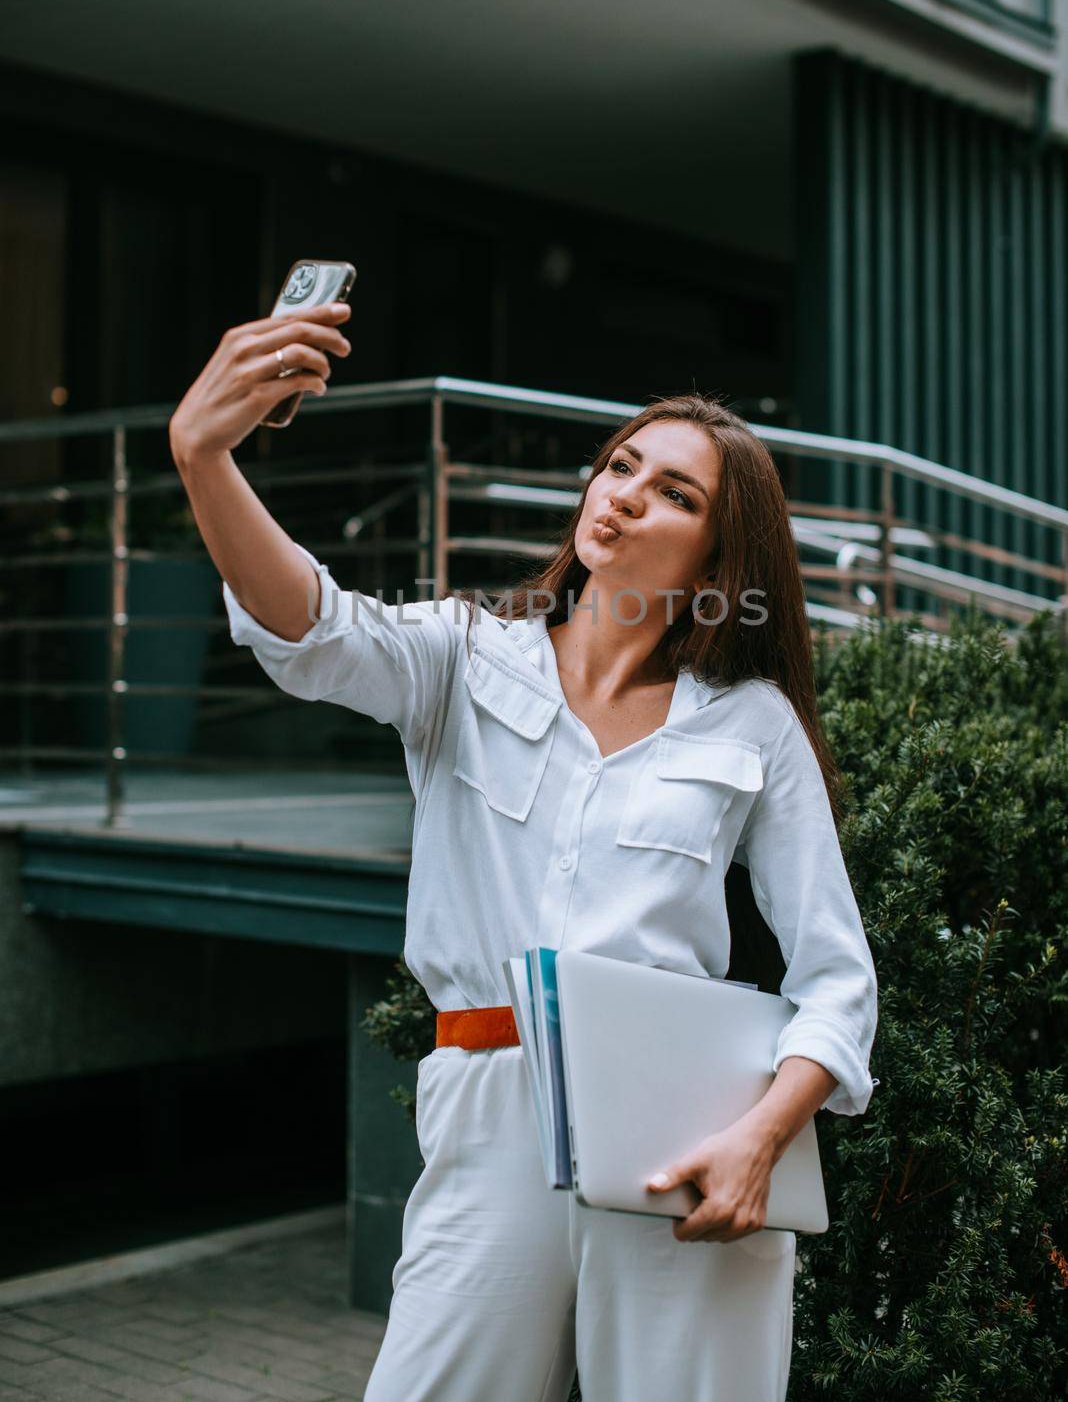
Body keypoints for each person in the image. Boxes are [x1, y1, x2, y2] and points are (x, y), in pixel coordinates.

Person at [169, 299, 879, 1402]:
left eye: (674, 493)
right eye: (620, 466)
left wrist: (761, 1136)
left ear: (714, 553)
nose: (627, 494)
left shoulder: (753, 724)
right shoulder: (462, 658)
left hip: (690, 1128)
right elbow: (311, 628)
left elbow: (837, 976)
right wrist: (204, 455)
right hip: (488, 1098)